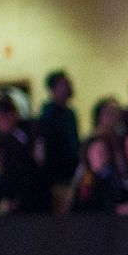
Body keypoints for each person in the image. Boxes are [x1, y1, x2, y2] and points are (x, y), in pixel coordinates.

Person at [0, 96, 51, 215]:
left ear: (13, 115)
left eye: (2, 118)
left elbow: (35, 164)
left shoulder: (30, 132)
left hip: (33, 196)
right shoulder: (0, 139)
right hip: (12, 197)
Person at [37, 70, 81, 211]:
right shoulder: (48, 115)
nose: (68, 88)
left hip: (70, 175)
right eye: (64, 85)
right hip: (56, 178)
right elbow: (43, 149)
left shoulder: (70, 114)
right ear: (53, 89)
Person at [71, 135, 123, 213]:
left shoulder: (116, 178)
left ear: (109, 154)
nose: (99, 155)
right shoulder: (84, 179)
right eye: (94, 151)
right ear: (87, 154)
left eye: (102, 151)